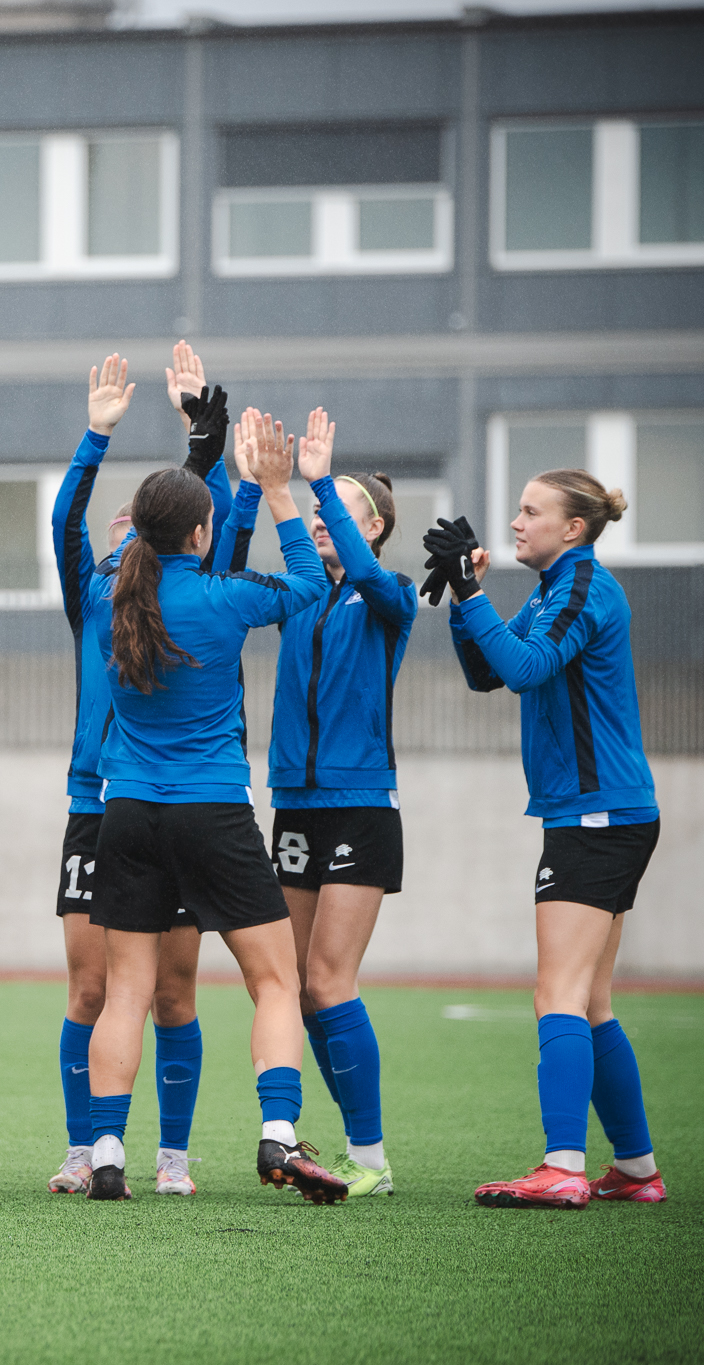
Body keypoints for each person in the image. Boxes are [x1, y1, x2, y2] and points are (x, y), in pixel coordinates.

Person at [81, 410, 348, 1204]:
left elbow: (131, 550)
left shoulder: (106, 596)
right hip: (213, 812)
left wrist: (221, 488)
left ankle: (103, 1152)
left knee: (127, 991)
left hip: (126, 810)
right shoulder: (226, 597)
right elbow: (307, 584)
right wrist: (275, 491)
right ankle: (276, 1135)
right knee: (274, 980)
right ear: (201, 533)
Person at [427, 472, 664, 1208]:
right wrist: (465, 604)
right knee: (591, 1000)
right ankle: (634, 1168)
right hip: (601, 812)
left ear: (574, 528)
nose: (518, 521)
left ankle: (563, 1165)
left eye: (533, 510)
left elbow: (526, 668)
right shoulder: (555, 586)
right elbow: (487, 675)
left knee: (556, 992)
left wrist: (473, 600)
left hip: (598, 815)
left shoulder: (582, 588)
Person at [46, 345, 231, 1197]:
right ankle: (88, 1148)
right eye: (113, 530)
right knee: (91, 985)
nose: (122, 538)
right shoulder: (94, 596)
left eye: (135, 529)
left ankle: (175, 1157)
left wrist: (204, 439)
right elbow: (63, 524)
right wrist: (95, 437)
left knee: (176, 992)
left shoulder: (192, 591)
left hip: (179, 801)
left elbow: (215, 521)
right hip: (101, 805)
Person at [259, 410, 414, 1198]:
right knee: (298, 985)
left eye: (342, 512)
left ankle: (372, 1157)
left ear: (375, 528)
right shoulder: (301, 593)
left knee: (329, 981)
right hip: (295, 805)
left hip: (360, 808)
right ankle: (354, 1148)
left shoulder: (390, 595)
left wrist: (319, 478)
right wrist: (271, 487)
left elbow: (373, 575)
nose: (323, 520)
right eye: (323, 510)